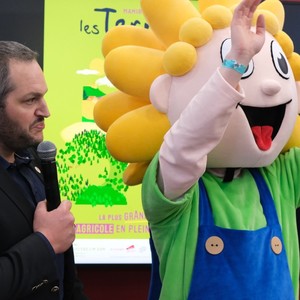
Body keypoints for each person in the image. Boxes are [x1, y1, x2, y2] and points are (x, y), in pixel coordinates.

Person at [94, 0, 300, 298]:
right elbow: (186, 142)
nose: (268, 87)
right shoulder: (174, 187)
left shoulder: (281, 175)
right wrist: (236, 63)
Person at [0, 41, 88, 299]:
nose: (46, 111)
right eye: (30, 100)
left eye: (43, 96)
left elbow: (65, 276)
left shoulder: (33, 161)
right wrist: (46, 241)